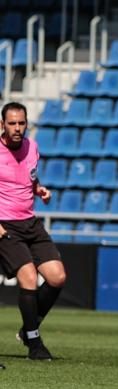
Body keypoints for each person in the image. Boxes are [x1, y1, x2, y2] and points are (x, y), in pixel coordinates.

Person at [0, 102, 66, 361]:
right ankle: (35, 345)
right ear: (2, 125)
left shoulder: (32, 147)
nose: (17, 128)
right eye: (12, 123)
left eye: (21, 123)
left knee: (57, 277)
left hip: (30, 222)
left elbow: (29, 178)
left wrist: (39, 189)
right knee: (28, 277)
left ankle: (29, 328)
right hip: (5, 224)